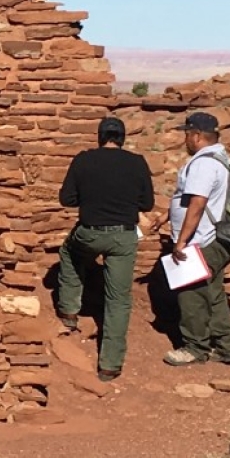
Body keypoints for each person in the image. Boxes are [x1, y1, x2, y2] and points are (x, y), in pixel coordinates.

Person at [56, 116, 156, 382]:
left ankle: (68, 311)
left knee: (69, 253)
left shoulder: (83, 160)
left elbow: (66, 199)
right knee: (119, 299)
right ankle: (110, 365)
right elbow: (146, 204)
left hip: (89, 233)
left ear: (100, 137)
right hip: (123, 237)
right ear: (122, 139)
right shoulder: (137, 163)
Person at [157, 111, 230, 367]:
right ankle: (228, 347)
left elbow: (197, 203)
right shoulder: (220, 158)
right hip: (215, 240)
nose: (185, 139)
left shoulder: (203, 164)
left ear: (196, 135)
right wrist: (167, 215)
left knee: (191, 295)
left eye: (186, 134)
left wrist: (180, 242)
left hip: (200, 242)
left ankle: (195, 348)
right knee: (213, 295)